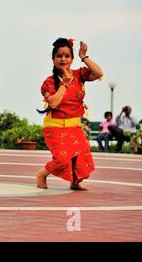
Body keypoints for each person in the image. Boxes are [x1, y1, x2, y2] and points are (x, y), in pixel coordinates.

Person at [36, 38, 103, 191]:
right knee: (62, 160)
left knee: (80, 158)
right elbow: (53, 103)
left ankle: (75, 181)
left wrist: (84, 57)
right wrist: (64, 84)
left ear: (72, 59)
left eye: (67, 56)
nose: (63, 59)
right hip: (54, 127)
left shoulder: (79, 75)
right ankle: (42, 174)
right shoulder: (49, 82)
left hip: (74, 126)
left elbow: (99, 73)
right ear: (53, 59)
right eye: (59, 56)